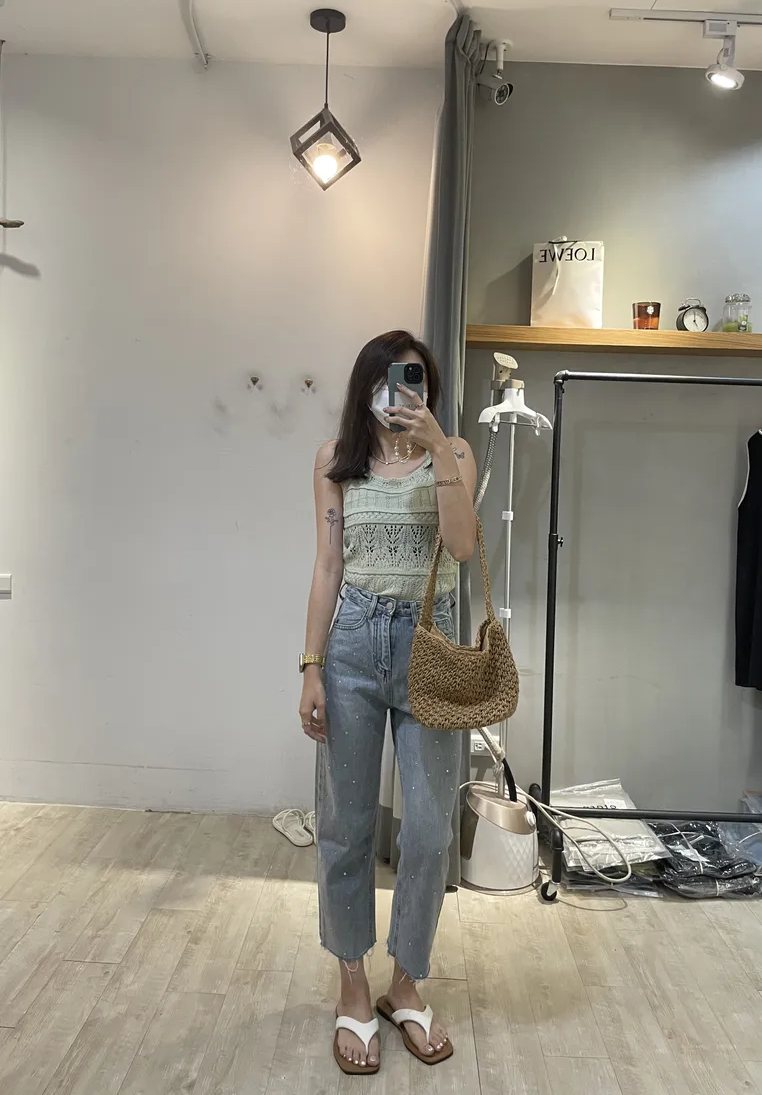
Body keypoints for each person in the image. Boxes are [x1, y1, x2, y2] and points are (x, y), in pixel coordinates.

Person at [299, 329, 476, 1075]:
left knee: (430, 830)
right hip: (351, 646)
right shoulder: (334, 460)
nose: (405, 390)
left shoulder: (454, 452)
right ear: (367, 384)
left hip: (429, 646)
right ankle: (352, 983)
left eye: (418, 378)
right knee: (345, 823)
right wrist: (310, 666)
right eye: (393, 377)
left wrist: (436, 447)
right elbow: (328, 564)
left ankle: (405, 983)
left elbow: (462, 548)